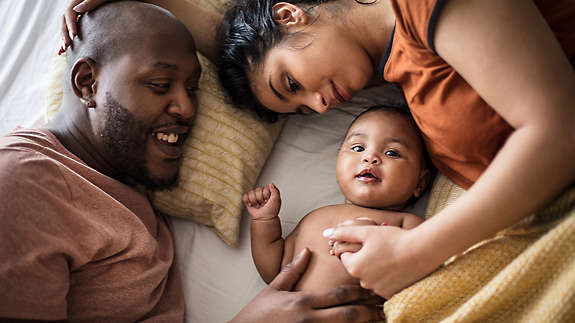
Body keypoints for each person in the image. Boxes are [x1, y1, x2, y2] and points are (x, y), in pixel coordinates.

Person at [63, 0, 575, 307]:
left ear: (291, 12)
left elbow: (560, 131)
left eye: (292, 83)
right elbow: (235, 34)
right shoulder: (394, 68)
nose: (319, 102)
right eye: (302, 109)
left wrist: (419, 250)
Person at [0, 2, 384, 322]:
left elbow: (265, 48)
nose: (187, 108)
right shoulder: (21, 182)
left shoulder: (122, 189)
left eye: (192, 89)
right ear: (88, 83)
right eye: (159, 85)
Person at [244, 105, 429, 291]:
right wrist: (264, 221)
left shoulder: (409, 225)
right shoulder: (314, 219)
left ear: (420, 183)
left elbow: (421, 277)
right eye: (358, 147)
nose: (369, 157)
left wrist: (377, 241)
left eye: (392, 153)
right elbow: (275, 272)